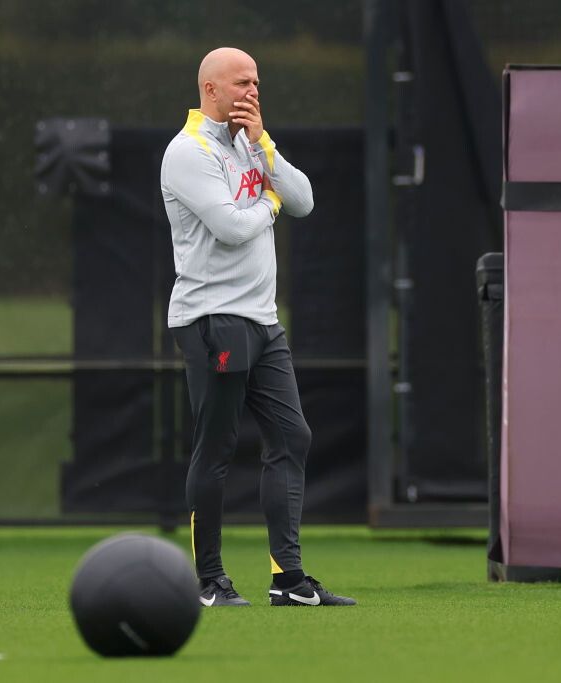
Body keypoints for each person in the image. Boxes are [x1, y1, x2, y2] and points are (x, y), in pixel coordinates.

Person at [161, 47, 356, 607]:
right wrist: (270, 202)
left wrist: (265, 144)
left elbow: (305, 200)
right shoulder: (187, 151)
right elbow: (230, 227)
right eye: (241, 83)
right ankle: (209, 581)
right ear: (210, 89)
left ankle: (288, 580)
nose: (252, 91)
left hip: (263, 321)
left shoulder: (250, 143)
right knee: (217, 447)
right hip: (212, 320)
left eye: (256, 82)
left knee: (292, 437)